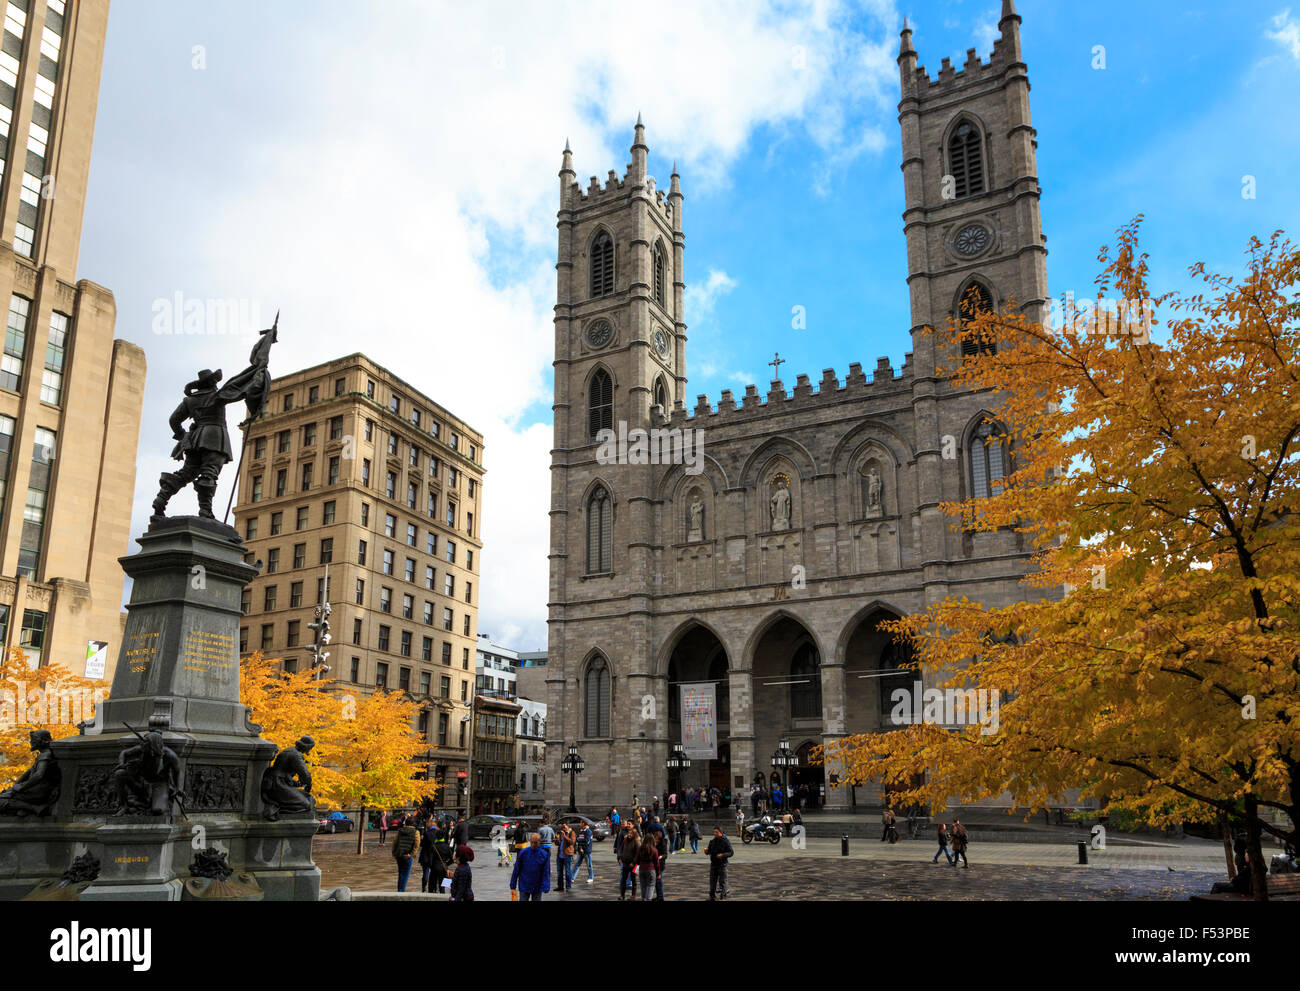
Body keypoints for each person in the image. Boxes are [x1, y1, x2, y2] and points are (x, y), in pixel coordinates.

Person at [510, 833, 552, 901]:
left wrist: (546, 885)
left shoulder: (544, 855)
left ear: (539, 842)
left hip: (537, 886)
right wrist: (513, 884)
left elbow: (546, 871)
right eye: (531, 842)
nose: (533, 845)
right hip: (524, 885)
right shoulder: (523, 853)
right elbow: (516, 869)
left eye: (535, 843)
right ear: (530, 841)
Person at [392, 814, 419, 891]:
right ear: (413, 824)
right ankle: (401, 891)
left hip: (399, 855)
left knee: (401, 873)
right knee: (405, 874)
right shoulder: (416, 832)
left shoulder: (400, 831)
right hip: (407, 856)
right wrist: (411, 854)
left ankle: (399, 890)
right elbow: (417, 845)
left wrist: (394, 853)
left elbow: (395, 842)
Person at [706, 826, 734, 900]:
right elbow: (710, 851)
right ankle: (712, 896)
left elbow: (731, 852)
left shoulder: (725, 841)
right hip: (713, 864)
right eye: (714, 832)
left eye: (716, 832)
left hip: (722, 865)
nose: (714, 833)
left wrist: (723, 855)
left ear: (721, 833)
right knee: (712, 882)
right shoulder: (712, 841)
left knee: (723, 882)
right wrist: (707, 851)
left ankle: (723, 897)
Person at [635, 830, 661, 901]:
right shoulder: (654, 850)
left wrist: (636, 868)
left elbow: (636, 860)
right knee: (651, 885)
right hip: (651, 869)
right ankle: (648, 899)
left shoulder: (640, 849)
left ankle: (643, 898)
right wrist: (658, 873)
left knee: (643, 885)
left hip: (642, 869)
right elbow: (657, 863)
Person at [618, 825, 640, 900]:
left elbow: (638, 855)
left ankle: (633, 896)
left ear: (634, 834)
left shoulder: (637, 842)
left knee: (634, 880)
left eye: (631, 834)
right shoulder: (625, 840)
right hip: (625, 863)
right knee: (623, 880)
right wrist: (619, 858)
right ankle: (622, 895)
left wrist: (633, 863)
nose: (629, 835)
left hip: (634, 865)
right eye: (629, 833)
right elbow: (621, 849)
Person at [652, 820, 670, 900]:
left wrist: (661, 856)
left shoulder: (663, 843)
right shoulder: (653, 843)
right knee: (656, 882)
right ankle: (658, 896)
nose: (655, 841)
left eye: (656, 839)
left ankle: (661, 897)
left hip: (660, 865)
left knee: (659, 881)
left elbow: (666, 855)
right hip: (653, 864)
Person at [556, 822, 576, 892]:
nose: (563, 828)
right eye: (562, 827)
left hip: (567, 855)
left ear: (568, 826)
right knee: (559, 872)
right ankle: (560, 886)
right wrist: (557, 838)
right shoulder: (562, 833)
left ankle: (568, 886)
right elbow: (557, 844)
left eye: (564, 826)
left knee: (567, 872)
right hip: (560, 855)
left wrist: (564, 836)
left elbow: (572, 842)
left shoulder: (572, 833)